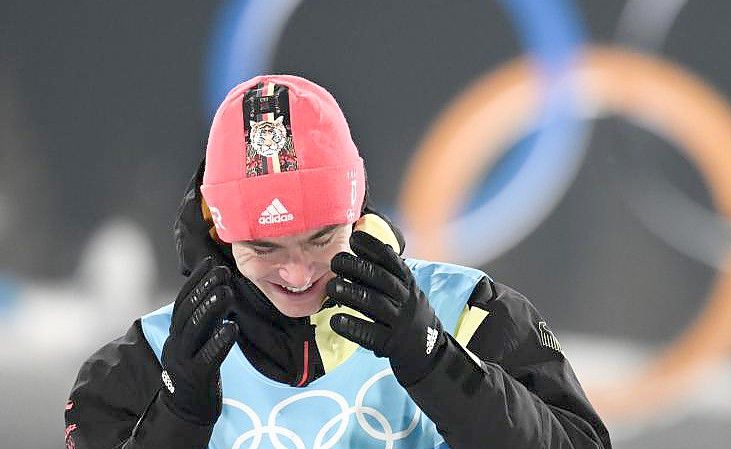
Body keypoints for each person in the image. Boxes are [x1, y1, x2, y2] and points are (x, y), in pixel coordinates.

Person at [65, 74, 611, 449]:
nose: (298, 273)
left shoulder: (471, 314)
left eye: (321, 238)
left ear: (355, 208)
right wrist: (178, 415)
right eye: (264, 248)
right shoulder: (144, 364)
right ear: (217, 228)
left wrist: (439, 366)